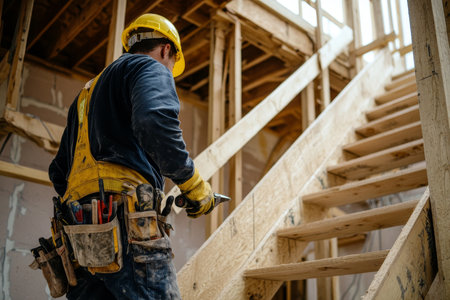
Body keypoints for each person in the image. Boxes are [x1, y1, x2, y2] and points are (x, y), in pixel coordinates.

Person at [48, 13, 214, 299]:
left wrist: (88, 203)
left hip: (78, 239)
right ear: (166, 49)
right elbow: (153, 123)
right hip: (128, 228)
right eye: (172, 62)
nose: (169, 68)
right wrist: (194, 186)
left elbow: (58, 172)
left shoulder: (85, 96)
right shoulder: (150, 67)